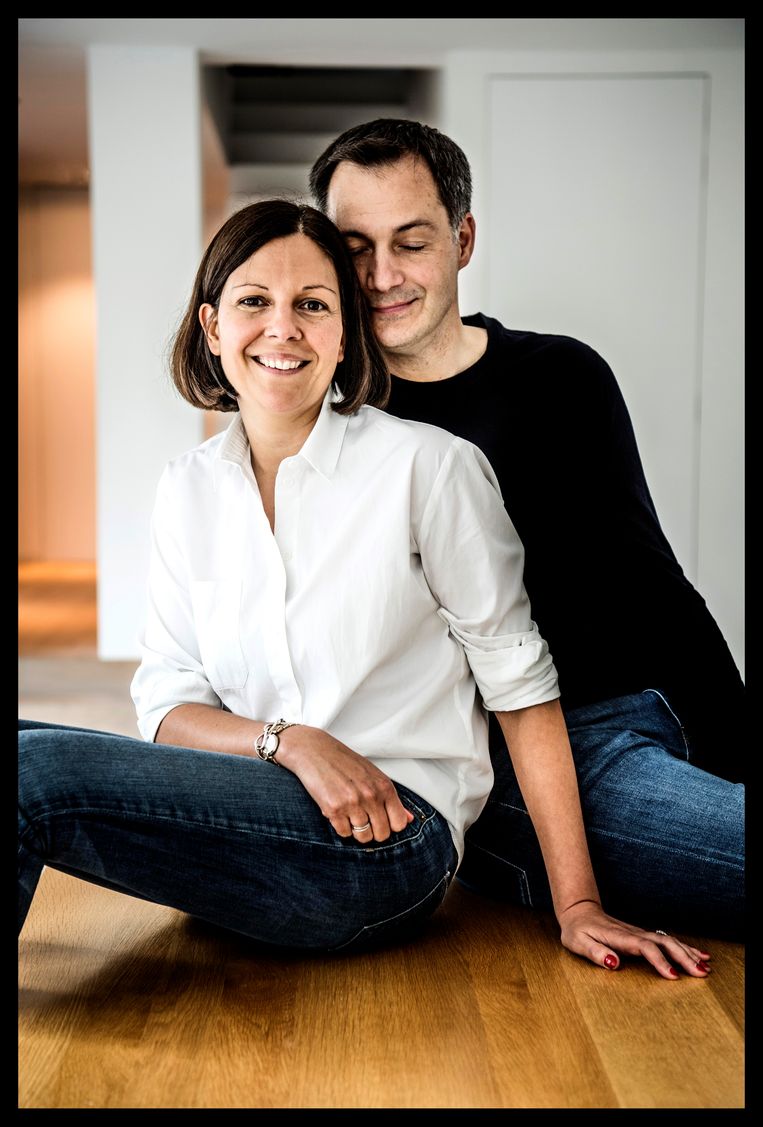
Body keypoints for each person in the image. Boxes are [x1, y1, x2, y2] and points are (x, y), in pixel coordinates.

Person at [18, 200, 712, 979]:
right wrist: (289, 741)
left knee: (29, 776)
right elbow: (167, 705)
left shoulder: (429, 467)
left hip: (388, 840)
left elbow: (519, 687)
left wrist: (577, 901)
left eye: (312, 305)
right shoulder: (187, 488)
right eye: (254, 301)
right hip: (255, 801)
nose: (282, 328)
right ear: (212, 327)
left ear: (346, 333)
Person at [308, 118, 744, 940]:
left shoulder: (562, 374)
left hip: (657, 703)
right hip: (536, 763)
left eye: (411, 242)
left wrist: (734, 743)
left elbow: (652, 582)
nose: (381, 276)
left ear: (462, 240)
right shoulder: (332, 430)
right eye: (354, 247)